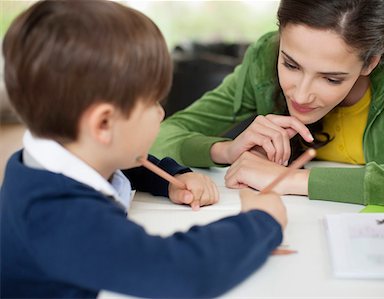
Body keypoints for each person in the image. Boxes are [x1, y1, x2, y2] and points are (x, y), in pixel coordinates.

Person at [0, 1, 287, 298]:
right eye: (153, 103)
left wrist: (170, 178)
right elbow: (177, 270)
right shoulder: (58, 217)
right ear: (103, 123)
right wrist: (260, 222)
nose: (161, 114)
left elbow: (124, 163)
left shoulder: (44, 160)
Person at [151, 0, 384, 211]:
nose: (302, 95)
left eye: (331, 78)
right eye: (291, 64)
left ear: (370, 62)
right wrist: (225, 150)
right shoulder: (264, 56)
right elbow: (161, 135)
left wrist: (290, 179)